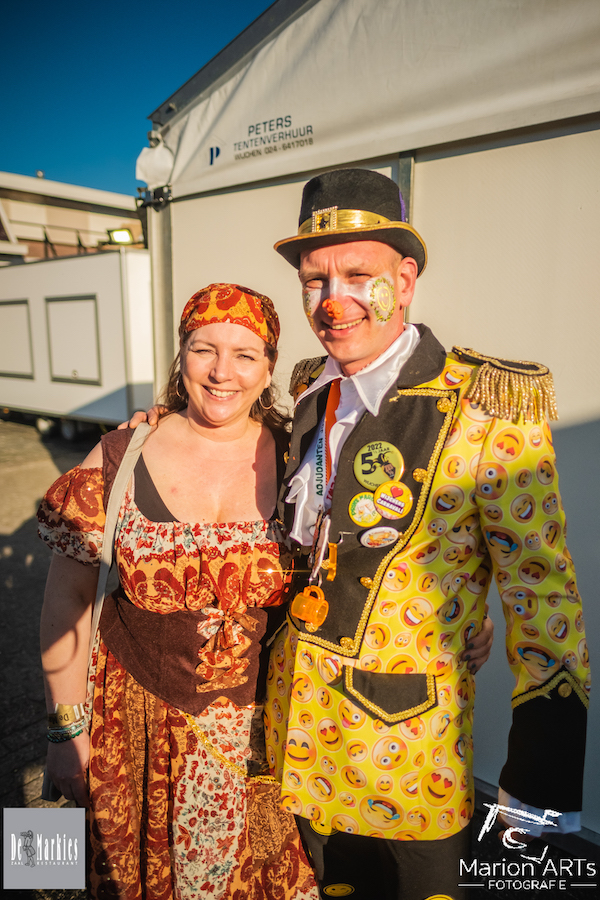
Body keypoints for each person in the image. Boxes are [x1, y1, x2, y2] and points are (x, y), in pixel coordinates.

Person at [260, 168, 589, 900]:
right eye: (315, 281)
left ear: (405, 280)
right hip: (295, 743)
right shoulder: (312, 387)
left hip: (407, 758)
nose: (333, 301)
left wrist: (536, 791)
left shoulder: (489, 402)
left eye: (358, 275)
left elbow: (545, 601)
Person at [38, 284, 319, 900]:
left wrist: (462, 622)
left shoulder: (305, 458)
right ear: (181, 355)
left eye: (245, 355)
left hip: (256, 741)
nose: (222, 372)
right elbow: (66, 603)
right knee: (98, 875)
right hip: (126, 726)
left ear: (269, 365)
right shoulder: (119, 454)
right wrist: (63, 734)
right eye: (204, 349)